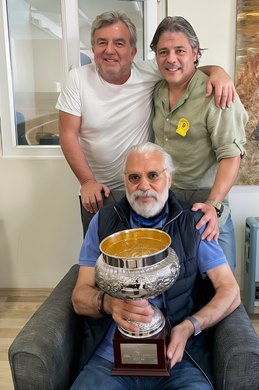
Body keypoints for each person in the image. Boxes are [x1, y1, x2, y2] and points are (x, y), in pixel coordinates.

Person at [71, 142, 241, 390]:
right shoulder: (103, 222)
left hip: (179, 360)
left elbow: (230, 291)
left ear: (169, 178)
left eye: (153, 175)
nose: (143, 186)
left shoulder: (194, 222)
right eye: (134, 177)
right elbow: (79, 297)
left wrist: (189, 326)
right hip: (110, 360)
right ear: (125, 181)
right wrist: (109, 303)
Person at [56, 10, 237, 237]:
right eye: (102, 42)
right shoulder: (78, 79)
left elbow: (185, 69)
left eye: (119, 43)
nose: (109, 50)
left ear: (133, 53)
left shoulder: (148, 73)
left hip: (145, 188)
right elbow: (67, 134)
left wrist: (219, 72)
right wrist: (87, 181)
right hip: (98, 191)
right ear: (93, 49)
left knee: (146, 257)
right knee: (99, 258)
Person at [150, 16, 248, 270]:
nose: (171, 59)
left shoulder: (217, 94)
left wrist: (213, 206)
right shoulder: (157, 89)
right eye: (163, 52)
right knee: (174, 286)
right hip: (168, 208)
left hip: (206, 208)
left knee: (220, 291)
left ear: (195, 53)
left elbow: (230, 156)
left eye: (180, 50)